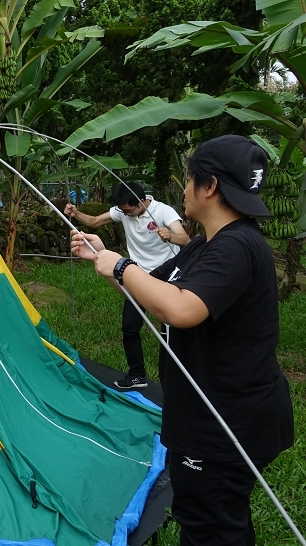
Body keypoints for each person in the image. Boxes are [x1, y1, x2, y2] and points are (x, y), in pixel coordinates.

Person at [70, 135, 294, 545]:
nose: (183, 189)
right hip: (204, 412)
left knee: (210, 526)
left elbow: (181, 309)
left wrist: (120, 266)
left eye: (190, 179)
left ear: (209, 186)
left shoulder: (238, 245)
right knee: (207, 516)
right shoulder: (205, 246)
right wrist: (105, 258)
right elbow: (152, 291)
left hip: (227, 420)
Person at [64, 182, 190, 388]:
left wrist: (171, 236)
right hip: (137, 276)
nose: (126, 215)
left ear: (141, 202)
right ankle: (137, 375)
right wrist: (76, 213)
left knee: (169, 333)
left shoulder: (163, 211)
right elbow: (95, 221)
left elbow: (185, 238)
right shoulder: (123, 211)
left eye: (130, 211)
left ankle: (175, 384)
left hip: (166, 277)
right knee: (130, 327)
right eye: (123, 212)